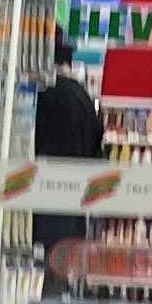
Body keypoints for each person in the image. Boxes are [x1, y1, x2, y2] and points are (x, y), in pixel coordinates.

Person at [31, 33, 105, 256]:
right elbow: (96, 146)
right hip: (74, 201)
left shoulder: (41, 94)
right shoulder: (83, 97)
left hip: (42, 198)